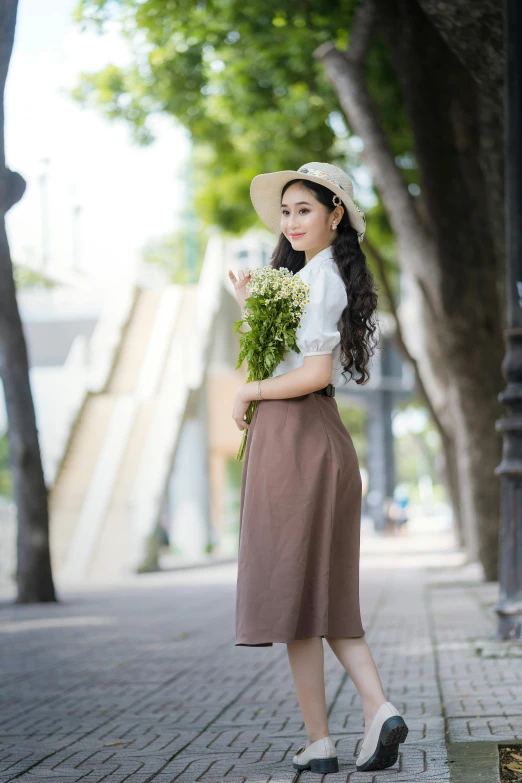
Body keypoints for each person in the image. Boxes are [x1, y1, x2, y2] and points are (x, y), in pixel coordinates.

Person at [228, 162, 408, 774]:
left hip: (299, 439)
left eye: (304, 208)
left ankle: (338, 731)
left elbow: (312, 374)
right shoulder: (310, 277)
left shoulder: (321, 279)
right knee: (313, 598)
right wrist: (252, 306)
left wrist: (249, 393)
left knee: (298, 596)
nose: (291, 221)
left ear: (336, 214)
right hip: (308, 438)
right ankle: (356, 721)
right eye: (286, 211)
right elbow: (278, 358)